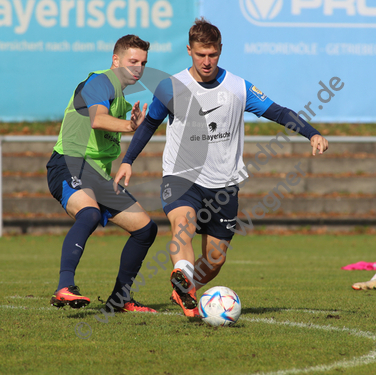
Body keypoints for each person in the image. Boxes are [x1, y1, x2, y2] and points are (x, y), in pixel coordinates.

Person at [114, 18, 329, 317]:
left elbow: (278, 112)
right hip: (181, 177)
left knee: (215, 259)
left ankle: (186, 290)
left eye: (212, 54)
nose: (206, 61)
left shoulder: (238, 88)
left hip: (224, 185)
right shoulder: (171, 87)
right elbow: (149, 125)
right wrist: (127, 160)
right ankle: (183, 272)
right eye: (200, 54)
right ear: (189, 50)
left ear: (220, 51)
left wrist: (312, 133)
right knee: (182, 227)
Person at [46, 34, 157, 313]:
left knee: (145, 229)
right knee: (90, 213)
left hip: (96, 174)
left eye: (143, 63)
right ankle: (64, 286)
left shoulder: (121, 97)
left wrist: (132, 126)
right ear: (115, 60)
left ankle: (120, 299)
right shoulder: (99, 81)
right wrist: (130, 126)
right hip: (70, 162)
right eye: (132, 61)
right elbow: (97, 119)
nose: (138, 68)